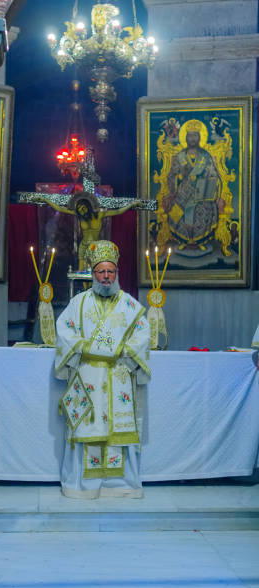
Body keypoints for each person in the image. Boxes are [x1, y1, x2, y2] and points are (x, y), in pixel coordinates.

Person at [55, 240, 150, 499]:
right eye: (101, 271)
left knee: (118, 432)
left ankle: (121, 486)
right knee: (87, 428)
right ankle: (81, 487)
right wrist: (83, 347)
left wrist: (123, 353)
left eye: (110, 272)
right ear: (92, 274)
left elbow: (142, 335)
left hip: (118, 375)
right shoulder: (79, 302)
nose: (106, 277)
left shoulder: (129, 305)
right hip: (88, 374)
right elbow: (63, 331)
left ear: (116, 274)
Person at [163, 120, 221, 252]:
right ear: (186, 138)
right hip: (183, 193)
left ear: (199, 137)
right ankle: (185, 240)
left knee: (204, 209)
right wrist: (179, 179)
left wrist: (205, 181)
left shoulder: (205, 156)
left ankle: (198, 240)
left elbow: (213, 175)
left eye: (195, 135)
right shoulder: (180, 157)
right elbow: (171, 176)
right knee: (176, 210)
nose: (192, 138)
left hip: (201, 194)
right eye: (190, 135)